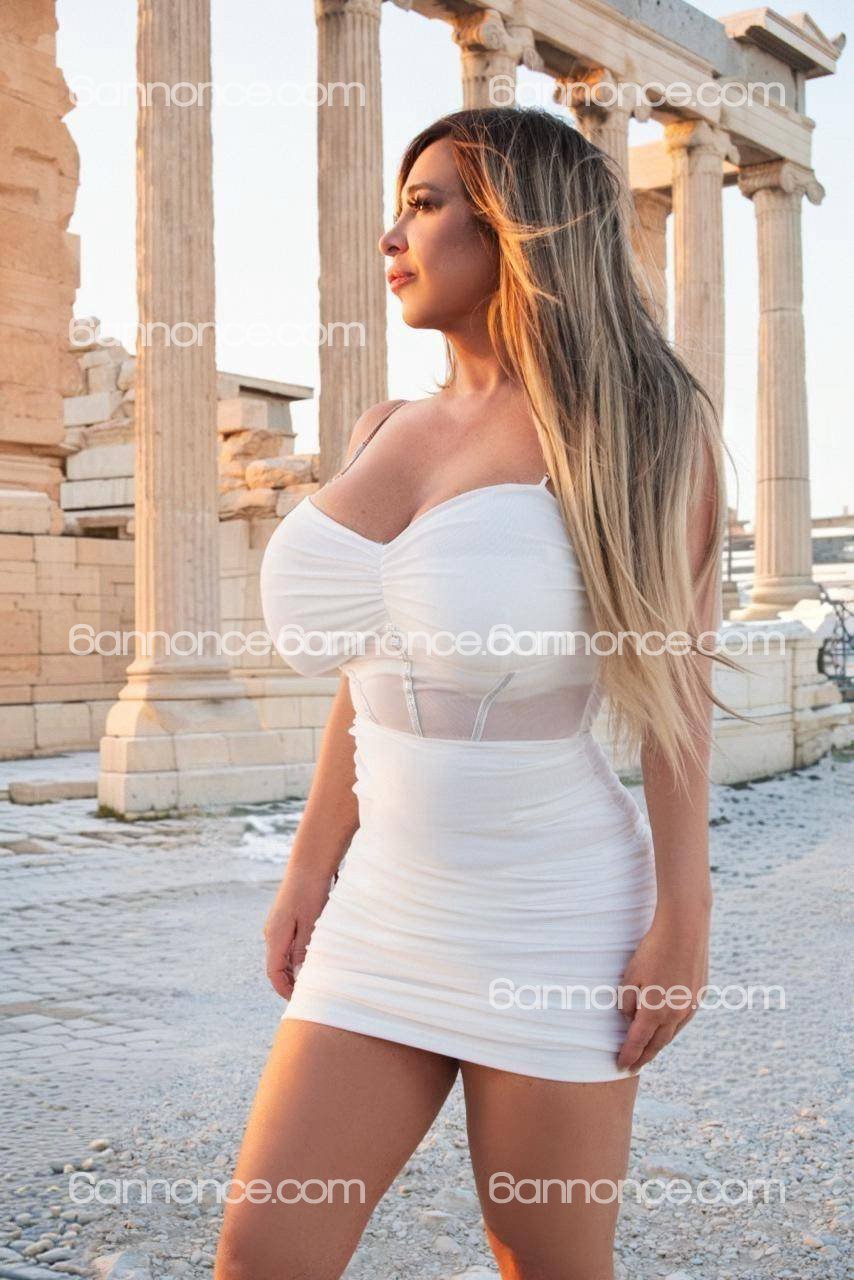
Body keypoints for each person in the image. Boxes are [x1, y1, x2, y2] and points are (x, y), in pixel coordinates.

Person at [214, 106, 742, 1280]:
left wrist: (683, 920)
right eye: (398, 205)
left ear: (519, 225)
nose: (392, 234)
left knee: (543, 1259)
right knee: (262, 1253)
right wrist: (307, 866)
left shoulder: (642, 431)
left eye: (426, 203)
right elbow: (368, 675)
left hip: (553, 912)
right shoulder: (383, 425)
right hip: (382, 907)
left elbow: (676, 698)